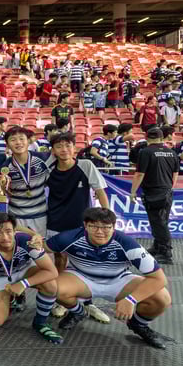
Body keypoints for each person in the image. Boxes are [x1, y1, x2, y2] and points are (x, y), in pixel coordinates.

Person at [49, 208, 173, 349]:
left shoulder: (128, 244)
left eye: (106, 227)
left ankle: (138, 324)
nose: (100, 232)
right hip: (81, 278)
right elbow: (39, 247)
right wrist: (32, 239)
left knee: (162, 298)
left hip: (118, 280)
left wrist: (131, 300)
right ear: (85, 225)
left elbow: (159, 278)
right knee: (52, 287)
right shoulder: (68, 238)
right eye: (94, 226)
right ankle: (78, 312)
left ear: (114, 227)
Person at [45, 131, 111, 322]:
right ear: (53, 151)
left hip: (82, 224)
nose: (64, 150)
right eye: (59, 146)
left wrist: (107, 219)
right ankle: (61, 300)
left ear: (75, 148)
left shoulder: (86, 165)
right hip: (56, 222)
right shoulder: (49, 169)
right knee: (60, 262)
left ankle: (88, 303)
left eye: (68, 145)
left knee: (85, 262)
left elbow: (100, 192)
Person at [0, 212, 64, 344]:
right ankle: (10, 297)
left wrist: (23, 283)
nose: (5, 237)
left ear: (15, 230)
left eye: (8, 231)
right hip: (0, 278)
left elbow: (52, 271)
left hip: (25, 271)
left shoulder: (26, 241)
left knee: (51, 285)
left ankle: (40, 323)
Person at [130, 127, 179, 264]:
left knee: (158, 222)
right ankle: (158, 247)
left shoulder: (145, 152)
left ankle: (165, 252)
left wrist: (133, 192)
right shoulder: (171, 152)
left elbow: (139, 174)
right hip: (167, 191)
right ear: (162, 138)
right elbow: (175, 174)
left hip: (153, 191)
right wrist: (169, 188)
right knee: (161, 221)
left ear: (147, 138)